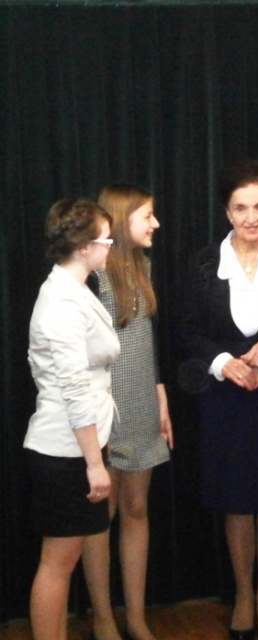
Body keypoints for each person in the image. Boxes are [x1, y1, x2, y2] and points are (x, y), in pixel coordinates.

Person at [179, 160, 258, 640]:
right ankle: (242, 595)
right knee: (237, 499)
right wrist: (222, 363)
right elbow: (188, 330)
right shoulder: (202, 263)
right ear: (227, 212)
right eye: (241, 208)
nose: (251, 217)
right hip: (225, 395)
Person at [24, 199, 120, 640]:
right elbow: (74, 389)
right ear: (83, 246)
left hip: (76, 446)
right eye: (105, 239)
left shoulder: (75, 288)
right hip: (65, 452)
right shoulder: (62, 301)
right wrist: (94, 463)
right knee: (57, 564)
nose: (109, 246)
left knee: (62, 560)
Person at [81, 184, 173, 640]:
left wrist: (160, 396)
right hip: (104, 410)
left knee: (137, 508)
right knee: (103, 516)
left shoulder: (144, 266)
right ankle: (103, 618)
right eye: (147, 216)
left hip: (141, 405)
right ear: (120, 221)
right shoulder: (93, 278)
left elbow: (146, 340)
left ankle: (135, 617)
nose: (156, 224)